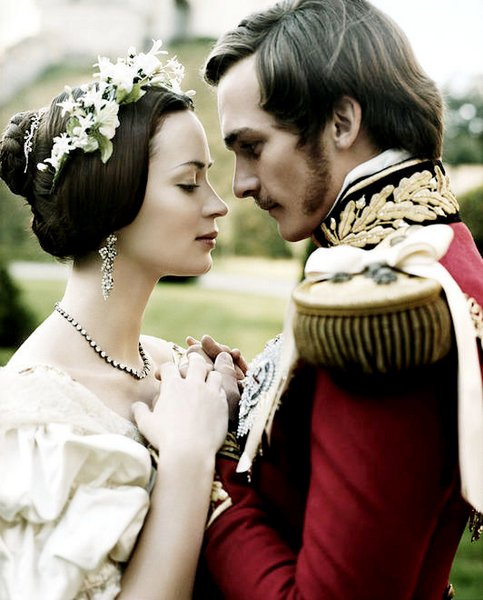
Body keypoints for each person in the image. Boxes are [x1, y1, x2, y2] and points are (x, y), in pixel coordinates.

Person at [191, 1, 483, 598]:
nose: (241, 184)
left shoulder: (385, 301)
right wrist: (257, 402)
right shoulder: (440, 250)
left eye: (252, 147)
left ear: (342, 123)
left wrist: (210, 455)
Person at [0, 40, 239, 600]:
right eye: (188, 183)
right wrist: (188, 454)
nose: (217, 204)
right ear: (113, 204)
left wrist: (231, 416)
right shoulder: (36, 423)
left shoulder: (172, 364)